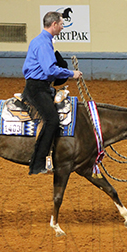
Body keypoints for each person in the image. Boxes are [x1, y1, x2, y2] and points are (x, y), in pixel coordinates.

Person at [22, 11, 82, 175]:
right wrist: (71, 74)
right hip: (37, 88)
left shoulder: (42, 41)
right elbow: (49, 69)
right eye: (61, 24)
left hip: (40, 86)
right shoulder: (43, 44)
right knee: (52, 119)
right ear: (54, 24)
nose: (63, 27)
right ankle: (38, 164)